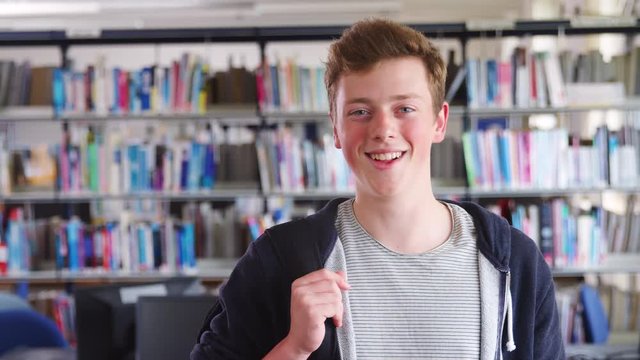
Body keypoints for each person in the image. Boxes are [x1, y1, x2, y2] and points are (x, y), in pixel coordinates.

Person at [191, 18, 564, 360]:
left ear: (439, 122)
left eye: (404, 109)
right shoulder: (280, 260)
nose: (383, 130)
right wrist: (294, 348)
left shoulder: (516, 263)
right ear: (336, 129)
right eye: (359, 112)